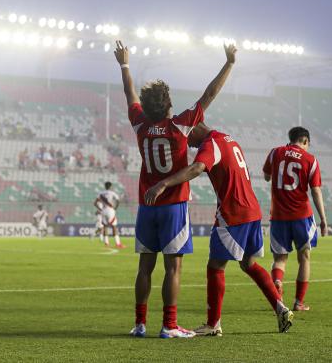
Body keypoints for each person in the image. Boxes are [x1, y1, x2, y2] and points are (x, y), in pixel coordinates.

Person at [117, 39, 237, 339]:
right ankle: (169, 325)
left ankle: (140, 324)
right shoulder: (180, 126)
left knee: (145, 267)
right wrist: (229, 63)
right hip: (173, 205)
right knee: (173, 268)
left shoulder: (139, 125)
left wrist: (125, 64)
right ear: (168, 103)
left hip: (147, 206)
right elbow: (210, 94)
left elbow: (129, 93)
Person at [146, 123, 294, 335]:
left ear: (194, 128)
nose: (189, 144)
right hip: (252, 210)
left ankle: (213, 324)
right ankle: (281, 309)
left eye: (188, 138)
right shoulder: (228, 139)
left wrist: (164, 184)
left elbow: (197, 168)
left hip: (233, 213)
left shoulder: (210, 143)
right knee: (249, 264)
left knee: (215, 266)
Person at [263, 126, 327, 312]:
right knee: (304, 257)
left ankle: (277, 284)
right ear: (305, 141)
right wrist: (323, 219)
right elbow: (316, 191)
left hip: (278, 216)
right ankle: (298, 302)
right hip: (301, 216)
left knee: (280, 259)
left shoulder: (275, 153)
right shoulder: (310, 160)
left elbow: (267, 177)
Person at [94, 181, 125, 249]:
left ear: (105, 186)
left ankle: (106, 243)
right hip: (110, 210)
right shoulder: (113, 193)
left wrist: (100, 209)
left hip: (103, 211)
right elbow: (118, 201)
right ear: (111, 186)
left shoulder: (101, 194)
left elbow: (95, 203)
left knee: (105, 226)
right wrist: (115, 208)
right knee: (114, 226)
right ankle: (118, 243)